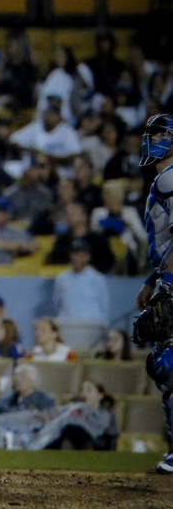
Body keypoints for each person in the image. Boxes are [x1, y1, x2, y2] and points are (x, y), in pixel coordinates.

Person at [131, 113, 173, 473]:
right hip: (165, 277)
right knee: (164, 366)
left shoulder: (172, 179)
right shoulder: (163, 179)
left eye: (162, 133)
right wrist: (151, 281)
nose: (154, 139)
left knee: (169, 364)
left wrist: (169, 286)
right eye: (152, 134)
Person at [53, 239, 110, 324]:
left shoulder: (97, 279)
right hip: (67, 324)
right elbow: (57, 303)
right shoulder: (62, 278)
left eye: (79, 254)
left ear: (87, 257)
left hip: (91, 325)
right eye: (73, 254)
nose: (74, 257)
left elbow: (104, 305)